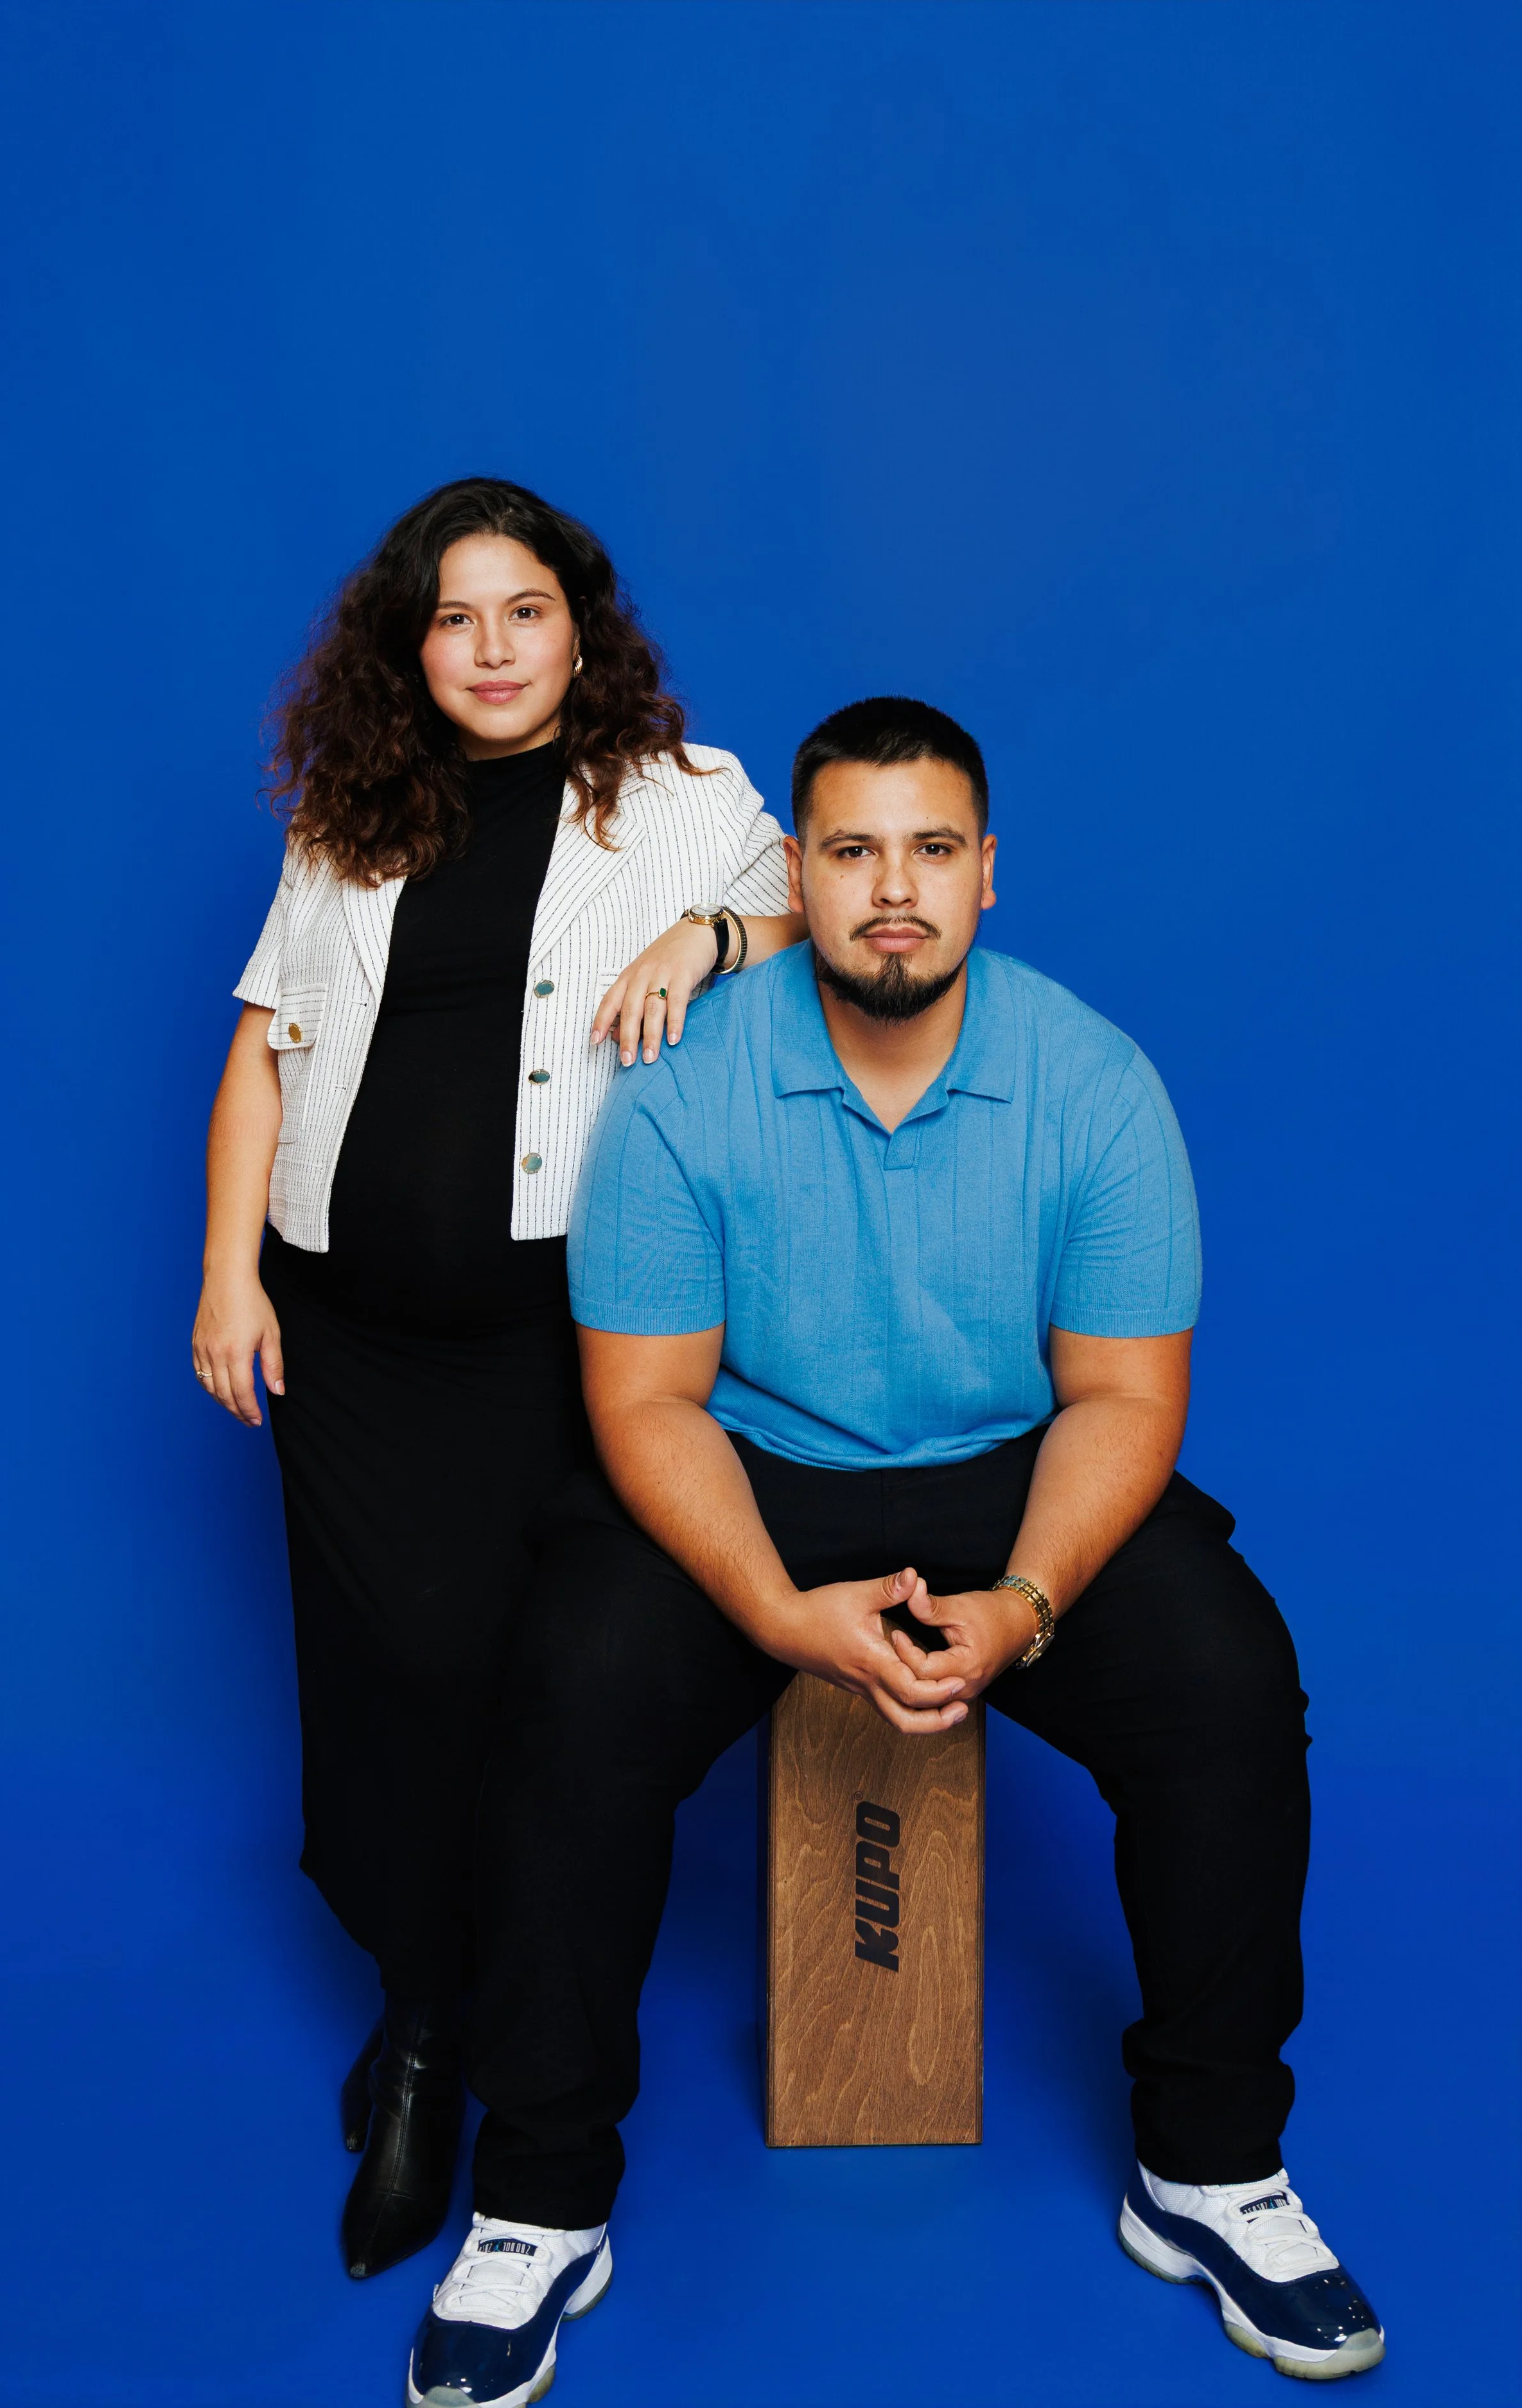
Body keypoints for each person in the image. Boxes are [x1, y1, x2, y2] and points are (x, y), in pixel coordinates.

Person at [405, 697, 1385, 2405]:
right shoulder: (685, 1086)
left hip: (1014, 1473)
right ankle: (543, 2192)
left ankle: (1208, 2163)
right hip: (753, 1463)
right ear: (797, 869)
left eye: (931, 850)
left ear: (987, 873)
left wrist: (1021, 1600)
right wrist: (775, 1605)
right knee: (569, 1687)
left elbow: (1122, 1398)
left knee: (1229, 1678)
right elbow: (645, 1403)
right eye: (850, 852)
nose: (891, 892)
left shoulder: (1089, 1080)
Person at [189, 478, 801, 2280]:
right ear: (412, 644)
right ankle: (422, 2029)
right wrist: (227, 1271)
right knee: (382, 1689)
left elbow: (825, 938)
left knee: (514, 1690)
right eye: (453, 619)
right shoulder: (351, 815)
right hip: (349, 1336)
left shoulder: (687, 805)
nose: (490, 648)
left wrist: (708, 939)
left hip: (568, 1348)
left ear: (578, 623)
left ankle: (487, 2041)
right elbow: (264, 1051)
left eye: (522, 610)